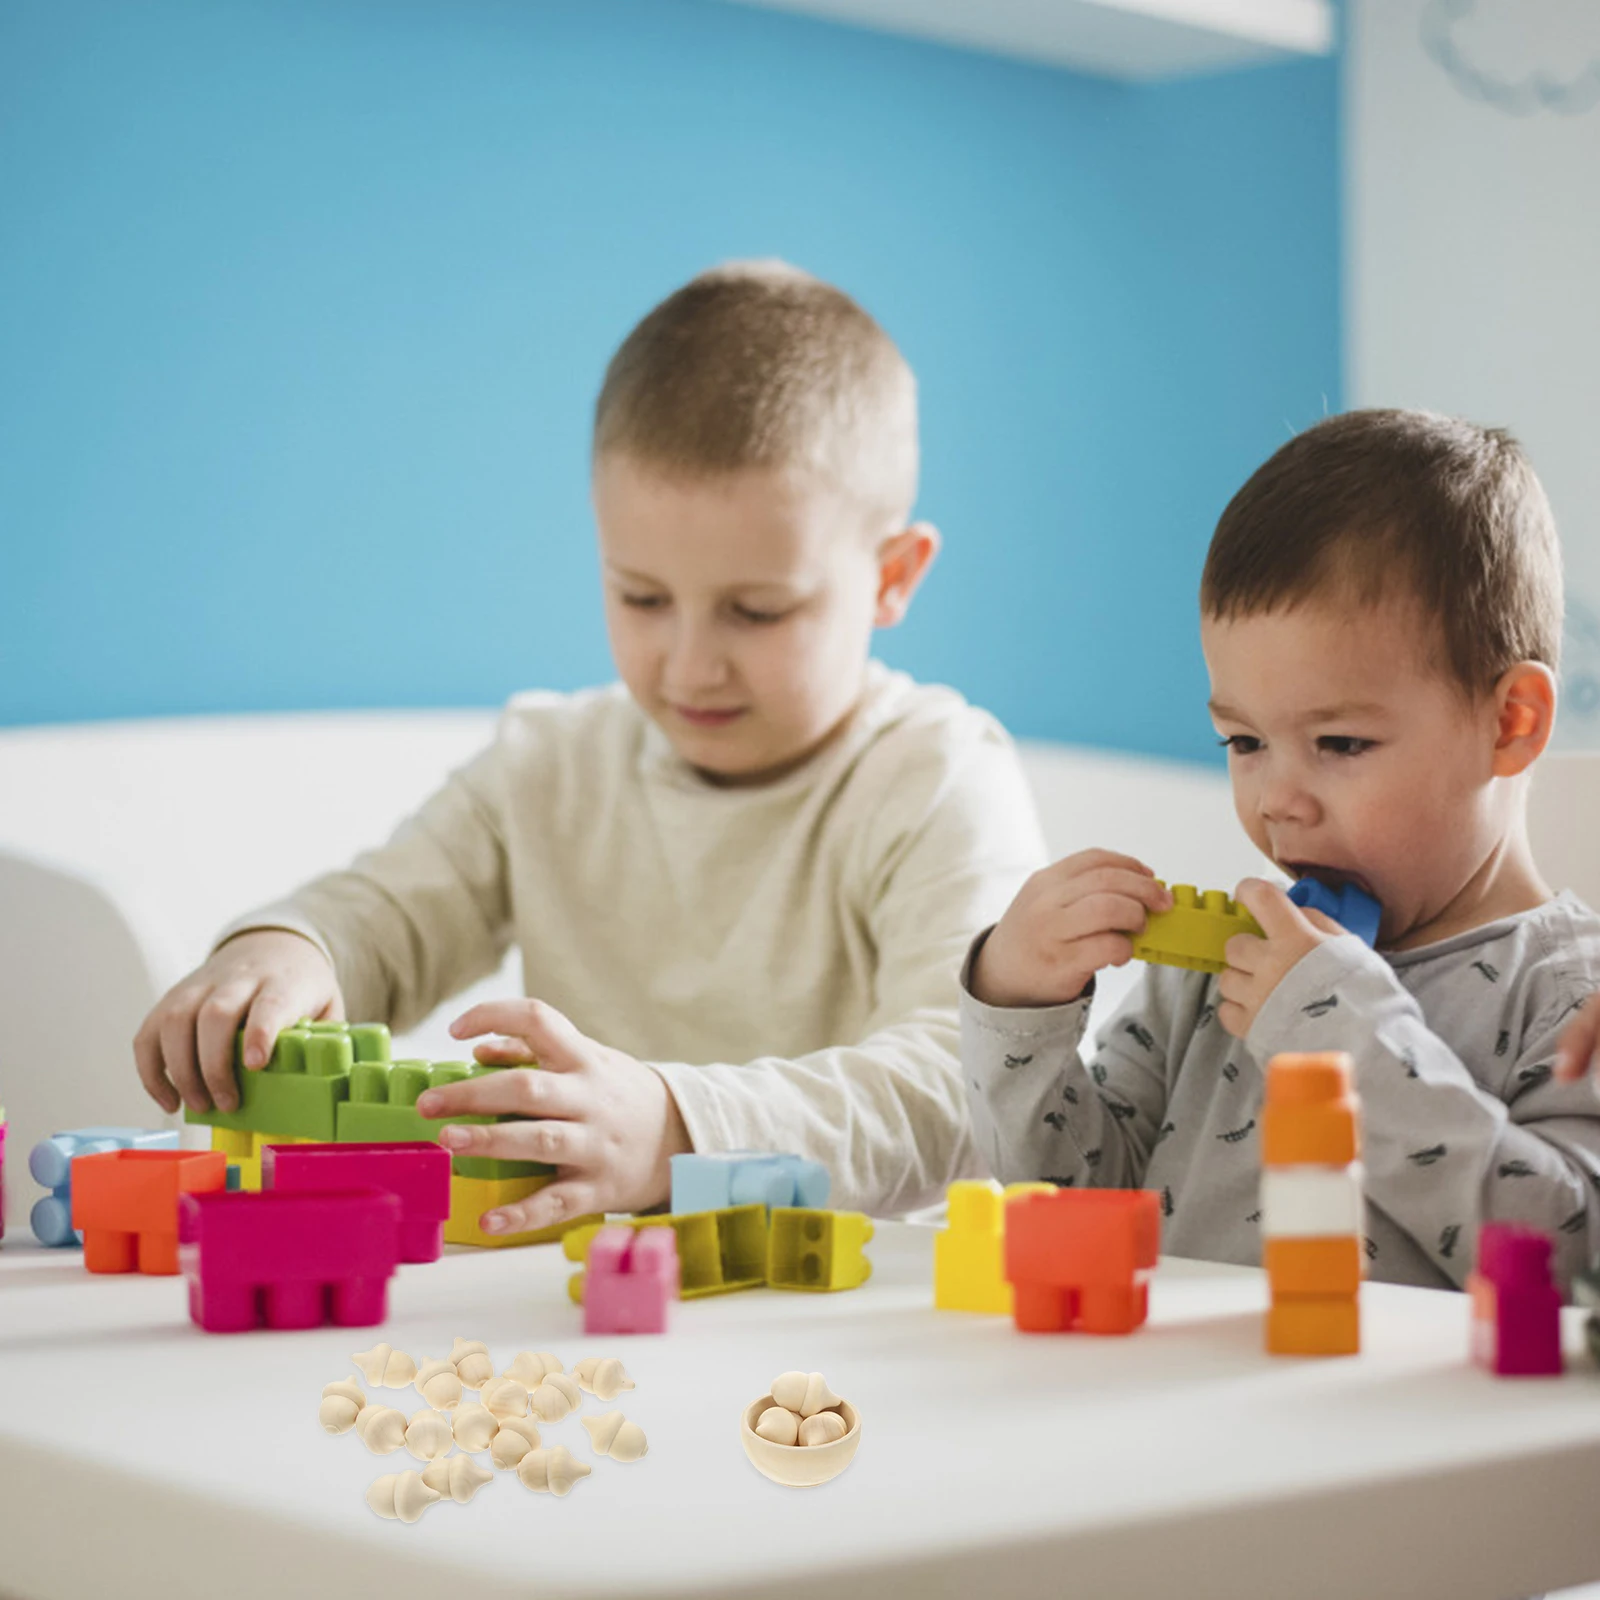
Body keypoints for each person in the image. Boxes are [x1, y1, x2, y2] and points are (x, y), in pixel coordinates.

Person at [134, 261, 1045, 1230]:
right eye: (641, 597)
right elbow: (385, 915)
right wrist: (286, 950)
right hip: (581, 1297)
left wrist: (678, 1130)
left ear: (892, 576)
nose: (691, 666)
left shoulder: (935, 777)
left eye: (757, 611)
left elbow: (962, 1085)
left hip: (858, 1302)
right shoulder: (548, 764)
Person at [962, 409, 1600, 1288]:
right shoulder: (1213, 972)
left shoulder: (1570, 996)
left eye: (1339, 744)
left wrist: (1350, 1044)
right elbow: (1078, 1205)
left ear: (1510, 724)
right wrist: (1018, 1010)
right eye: (1244, 742)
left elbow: (1570, 1269)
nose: (1276, 803)